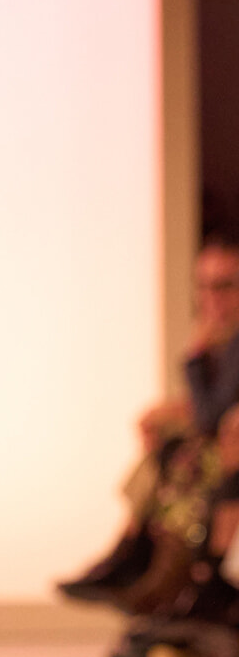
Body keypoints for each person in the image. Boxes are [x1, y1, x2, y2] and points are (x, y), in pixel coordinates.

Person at [60, 236, 239, 626]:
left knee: (184, 463)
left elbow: (213, 414)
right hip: (218, 453)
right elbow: (210, 409)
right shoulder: (224, 344)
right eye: (204, 286)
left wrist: (194, 357)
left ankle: (168, 575)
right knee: (169, 451)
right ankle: (137, 555)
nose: (211, 298)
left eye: (224, 286)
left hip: (227, 459)